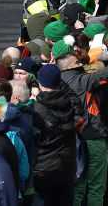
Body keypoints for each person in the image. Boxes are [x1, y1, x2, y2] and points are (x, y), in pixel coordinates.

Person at [57, 33, 108, 205]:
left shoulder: (59, 78)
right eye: (75, 53)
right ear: (70, 60)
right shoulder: (82, 80)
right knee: (96, 186)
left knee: (79, 184)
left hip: (73, 138)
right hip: (94, 136)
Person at [30, 64, 77, 206]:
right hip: (66, 165)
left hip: (44, 169)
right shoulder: (69, 103)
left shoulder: (37, 109)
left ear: (40, 83)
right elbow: (75, 99)